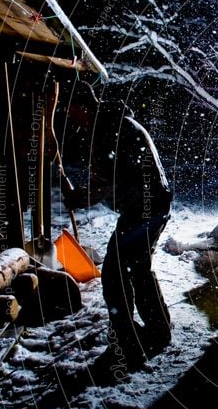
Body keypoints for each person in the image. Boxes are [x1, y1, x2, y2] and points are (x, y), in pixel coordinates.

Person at [63, 103, 172, 372]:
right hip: (155, 202)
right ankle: (159, 330)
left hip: (143, 207)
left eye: (71, 110)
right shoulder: (119, 123)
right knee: (138, 268)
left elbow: (104, 181)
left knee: (114, 274)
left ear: (84, 107)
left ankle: (126, 343)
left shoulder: (108, 129)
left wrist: (78, 197)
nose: (70, 116)